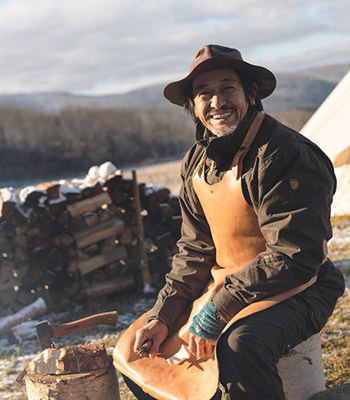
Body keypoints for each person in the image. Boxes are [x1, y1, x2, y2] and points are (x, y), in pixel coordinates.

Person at [114, 45, 345, 400]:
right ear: (193, 106)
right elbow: (194, 249)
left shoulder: (285, 155)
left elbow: (294, 255)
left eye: (228, 89)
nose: (217, 102)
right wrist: (163, 314)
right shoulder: (196, 162)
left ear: (250, 94)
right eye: (204, 93)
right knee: (137, 349)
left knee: (240, 346)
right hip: (230, 286)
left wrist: (219, 309)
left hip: (303, 284)